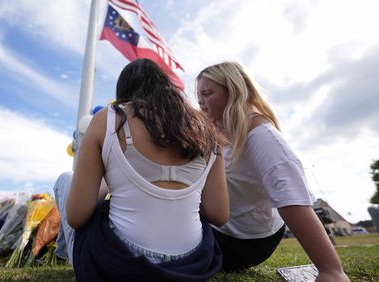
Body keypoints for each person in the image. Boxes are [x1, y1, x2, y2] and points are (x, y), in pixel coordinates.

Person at [54, 58, 229, 281]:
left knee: (65, 179)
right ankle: (62, 254)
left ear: (123, 93)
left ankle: (62, 255)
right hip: (192, 265)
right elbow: (219, 214)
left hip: (119, 265)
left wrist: (109, 184)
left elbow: (77, 216)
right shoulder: (206, 129)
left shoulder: (107, 120)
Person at [196, 61, 350, 281]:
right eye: (199, 95)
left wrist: (330, 270)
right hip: (223, 232)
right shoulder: (217, 135)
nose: (200, 102)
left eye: (207, 93)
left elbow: (292, 198)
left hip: (246, 241)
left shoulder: (262, 137)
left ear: (234, 91)